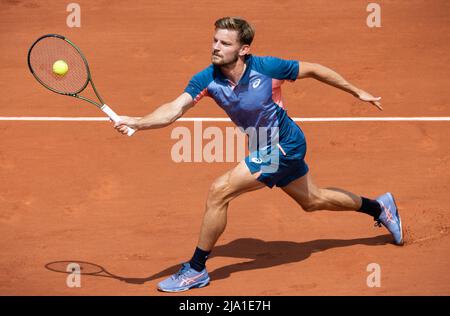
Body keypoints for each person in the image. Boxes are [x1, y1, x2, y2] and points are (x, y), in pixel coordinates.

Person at [114, 17, 403, 293]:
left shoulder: (267, 67)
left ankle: (196, 269)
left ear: (244, 49)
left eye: (225, 43)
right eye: (214, 40)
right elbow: (174, 108)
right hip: (265, 147)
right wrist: (138, 122)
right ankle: (379, 208)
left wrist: (357, 91)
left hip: (285, 145)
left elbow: (314, 69)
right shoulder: (207, 78)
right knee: (313, 201)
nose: (215, 47)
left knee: (220, 191)